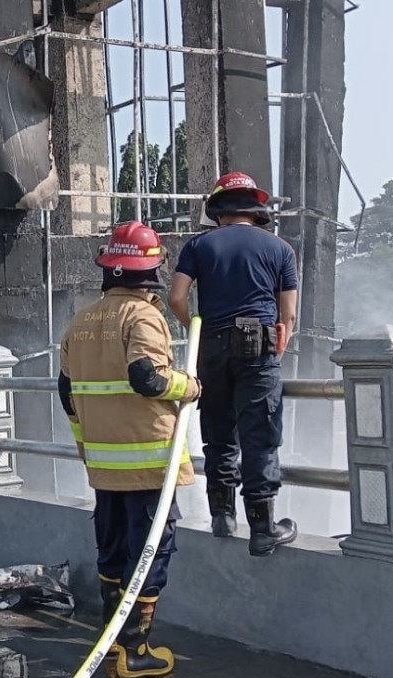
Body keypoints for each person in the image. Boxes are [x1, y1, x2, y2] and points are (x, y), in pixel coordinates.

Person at [59, 221, 202, 678]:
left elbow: (67, 393)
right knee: (151, 551)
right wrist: (191, 386)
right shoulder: (142, 317)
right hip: (147, 463)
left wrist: (87, 449)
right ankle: (135, 649)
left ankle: (109, 637)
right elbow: (149, 378)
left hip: (105, 466)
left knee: (114, 549)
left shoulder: (81, 320)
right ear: (153, 271)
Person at [168, 171, 299, 557]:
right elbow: (287, 316)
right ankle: (262, 528)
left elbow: (177, 297)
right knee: (259, 435)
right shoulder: (279, 249)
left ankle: (222, 517)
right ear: (256, 209)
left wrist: (197, 329)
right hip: (257, 347)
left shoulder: (198, 245)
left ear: (218, 210)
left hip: (211, 345)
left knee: (219, 432)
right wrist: (277, 350)